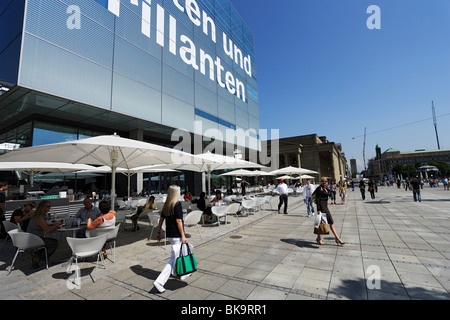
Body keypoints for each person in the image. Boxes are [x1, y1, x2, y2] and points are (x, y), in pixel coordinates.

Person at [153, 185, 189, 293]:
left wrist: (158, 232)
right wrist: (183, 235)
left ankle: (181, 274)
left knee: (179, 255)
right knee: (173, 259)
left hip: (170, 234)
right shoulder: (176, 204)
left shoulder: (167, 205)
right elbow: (179, 221)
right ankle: (159, 282)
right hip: (176, 235)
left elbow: (161, 220)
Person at [27, 200, 63, 268]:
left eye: (50, 206)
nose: (49, 208)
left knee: (51, 242)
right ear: (42, 207)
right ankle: (37, 257)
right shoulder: (39, 217)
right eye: (48, 206)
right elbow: (46, 229)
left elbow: (45, 225)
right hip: (35, 239)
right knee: (54, 243)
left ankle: (38, 256)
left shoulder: (39, 215)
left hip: (33, 237)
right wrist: (56, 225)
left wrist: (54, 225)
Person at [312, 177, 345, 245]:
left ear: (327, 182)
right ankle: (336, 238)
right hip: (321, 207)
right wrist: (318, 209)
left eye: (325, 181)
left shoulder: (325, 188)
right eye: (323, 181)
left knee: (324, 222)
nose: (324, 182)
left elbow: (330, 194)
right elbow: (317, 199)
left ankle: (320, 238)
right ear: (321, 182)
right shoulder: (319, 188)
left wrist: (328, 191)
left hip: (325, 206)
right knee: (325, 222)